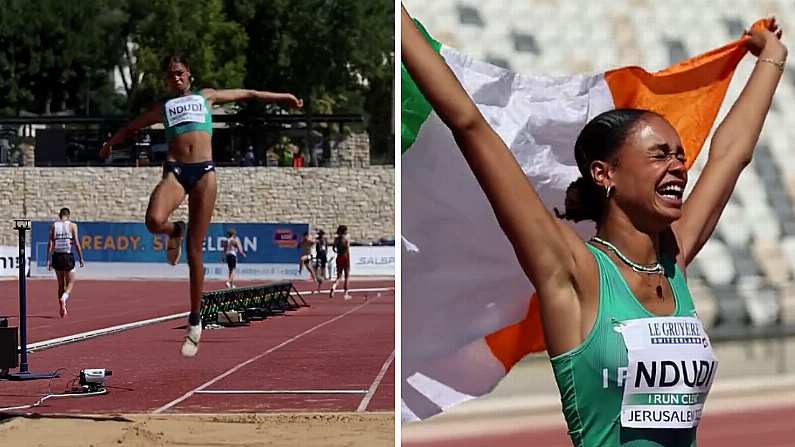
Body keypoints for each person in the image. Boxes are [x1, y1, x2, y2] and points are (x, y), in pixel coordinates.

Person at [402, 6, 785, 446]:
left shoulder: (672, 260)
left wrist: (771, 58)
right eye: (660, 155)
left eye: (679, 155)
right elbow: (471, 126)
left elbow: (730, 155)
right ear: (605, 174)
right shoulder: (570, 271)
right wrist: (399, 23)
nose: (679, 166)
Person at [100, 53, 303, 357]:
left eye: (179, 73)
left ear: (189, 74)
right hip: (177, 172)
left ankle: (195, 320)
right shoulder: (164, 108)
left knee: (195, 253)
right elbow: (131, 127)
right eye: (170, 75)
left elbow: (248, 94)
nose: (176, 78)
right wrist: (110, 144)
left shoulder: (206, 97)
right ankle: (174, 231)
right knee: (153, 221)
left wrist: (283, 97)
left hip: (205, 172)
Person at [47, 208, 85, 318]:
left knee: (60, 284)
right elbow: (77, 243)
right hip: (67, 256)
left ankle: (61, 306)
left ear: (59, 215)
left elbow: (50, 244)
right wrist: (81, 258)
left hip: (57, 256)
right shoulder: (73, 226)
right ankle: (64, 298)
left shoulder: (54, 226)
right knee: (71, 282)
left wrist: (48, 259)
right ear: (68, 215)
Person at [329, 225, 351, 300]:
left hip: (339, 257)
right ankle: (346, 293)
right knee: (347, 276)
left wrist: (338, 251)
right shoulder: (346, 238)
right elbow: (347, 248)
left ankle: (334, 287)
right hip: (345, 256)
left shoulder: (336, 239)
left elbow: (333, 248)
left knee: (339, 276)